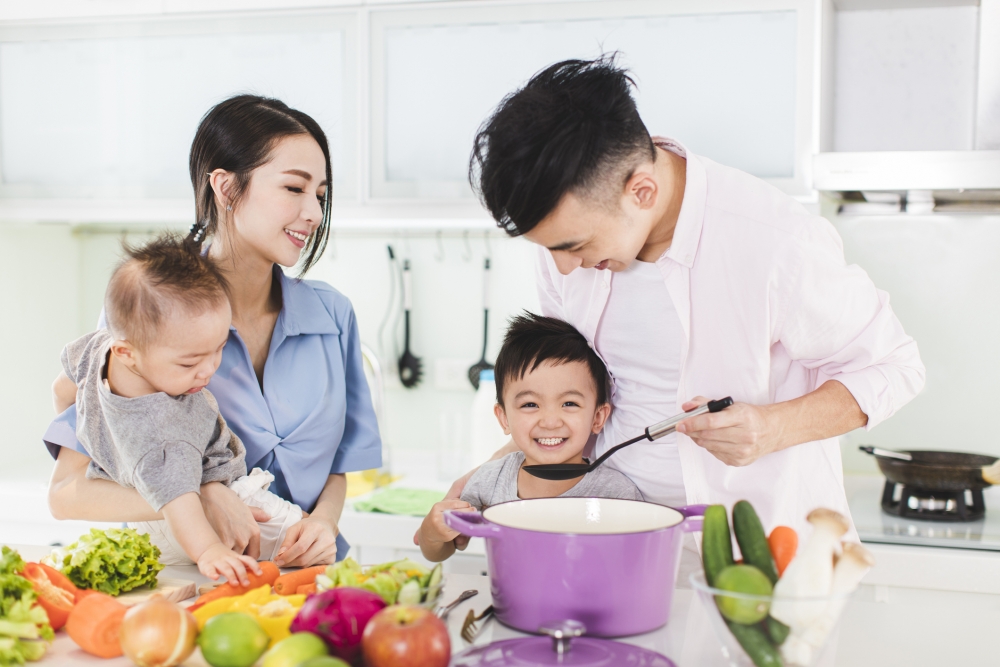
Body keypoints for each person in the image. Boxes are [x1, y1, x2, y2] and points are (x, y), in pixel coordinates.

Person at [453, 56, 925, 546]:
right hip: (613, 542)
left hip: (760, 554)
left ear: (641, 192)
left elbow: (895, 367)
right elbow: (562, 396)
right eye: (549, 249)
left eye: (575, 246)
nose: (564, 267)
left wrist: (772, 427)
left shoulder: (776, 241)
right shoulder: (568, 243)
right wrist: (486, 480)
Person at [45, 95, 382, 567]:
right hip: (191, 581)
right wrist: (199, 496)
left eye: (321, 196)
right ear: (225, 187)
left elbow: (338, 464)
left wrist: (324, 522)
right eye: (294, 188)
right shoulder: (149, 313)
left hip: (307, 574)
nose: (314, 213)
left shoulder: (333, 316)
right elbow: (68, 493)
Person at [56, 236, 304, 582]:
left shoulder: (96, 348)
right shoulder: (166, 432)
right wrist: (209, 551)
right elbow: (180, 501)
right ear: (127, 353)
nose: (209, 370)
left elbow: (62, 388)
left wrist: (91, 432)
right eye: (189, 363)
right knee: (301, 537)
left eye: (219, 348)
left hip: (154, 517)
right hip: (199, 512)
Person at [419, 313, 641, 562]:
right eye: (530, 404)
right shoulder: (490, 481)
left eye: (569, 403)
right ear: (504, 417)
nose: (550, 421)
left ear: (597, 417)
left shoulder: (617, 493)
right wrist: (431, 533)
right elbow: (443, 549)